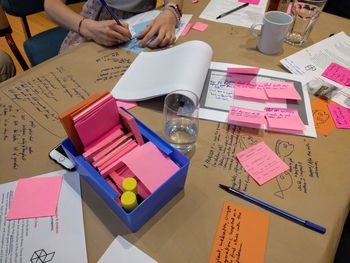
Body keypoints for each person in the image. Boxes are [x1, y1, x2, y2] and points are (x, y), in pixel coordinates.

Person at [44, 0, 183, 53]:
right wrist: (88, 28)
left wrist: (171, 10)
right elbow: (51, 5)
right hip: (96, 22)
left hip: (144, 19)